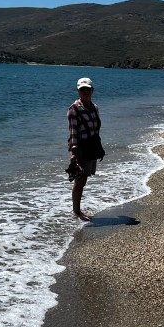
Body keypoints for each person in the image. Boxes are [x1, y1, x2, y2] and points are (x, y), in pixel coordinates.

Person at [67, 77, 104, 221]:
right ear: (78, 91)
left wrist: (99, 148)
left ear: (92, 90)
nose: (85, 92)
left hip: (92, 146)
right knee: (80, 180)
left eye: (88, 89)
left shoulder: (94, 107)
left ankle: (77, 210)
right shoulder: (74, 109)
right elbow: (73, 132)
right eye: (82, 89)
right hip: (81, 148)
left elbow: (96, 129)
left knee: (84, 179)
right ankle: (77, 212)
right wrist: (73, 153)